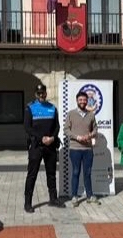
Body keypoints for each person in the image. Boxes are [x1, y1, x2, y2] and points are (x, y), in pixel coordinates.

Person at [23, 83, 63, 213]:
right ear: (35, 94)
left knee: (51, 174)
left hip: (50, 146)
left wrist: (52, 138)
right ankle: (28, 203)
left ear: (46, 93)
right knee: (32, 175)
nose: (41, 95)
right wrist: (41, 138)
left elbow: (57, 126)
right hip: (36, 146)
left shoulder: (52, 108)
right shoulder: (30, 108)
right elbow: (27, 127)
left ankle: (53, 199)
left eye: (43, 93)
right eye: (39, 93)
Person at [64, 91, 99, 206]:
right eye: (80, 100)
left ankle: (90, 196)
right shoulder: (71, 114)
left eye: (84, 100)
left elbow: (95, 130)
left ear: (87, 101)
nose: (83, 102)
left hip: (88, 149)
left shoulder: (91, 114)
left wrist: (89, 135)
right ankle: (74, 196)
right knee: (75, 172)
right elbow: (66, 130)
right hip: (75, 149)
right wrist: (78, 137)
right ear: (77, 101)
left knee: (87, 173)